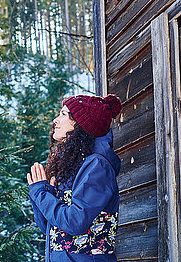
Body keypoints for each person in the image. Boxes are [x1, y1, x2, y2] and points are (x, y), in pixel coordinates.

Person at [27, 94, 122, 261]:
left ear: (80, 125)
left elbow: (75, 222)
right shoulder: (72, 167)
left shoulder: (98, 166)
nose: (55, 120)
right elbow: (49, 228)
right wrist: (42, 192)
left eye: (63, 114)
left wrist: (41, 195)